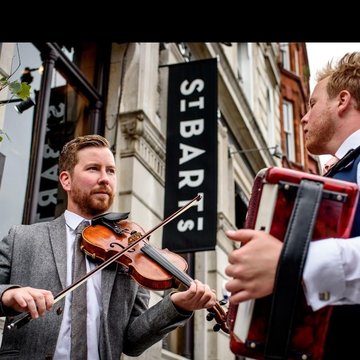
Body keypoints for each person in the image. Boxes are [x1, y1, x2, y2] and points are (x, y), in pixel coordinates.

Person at [0, 134, 217, 359]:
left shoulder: (133, 249)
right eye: (93, 169)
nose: (105, 178)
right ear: (66, 180)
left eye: (111, 171)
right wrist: (8, 295)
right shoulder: (22, 239)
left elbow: (132, 342)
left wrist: (176, 306)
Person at [225, 52, 360, 358]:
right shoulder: (337, 175)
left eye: (312, 104)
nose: (303, 117)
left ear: (342, 101)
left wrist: (292, 263)